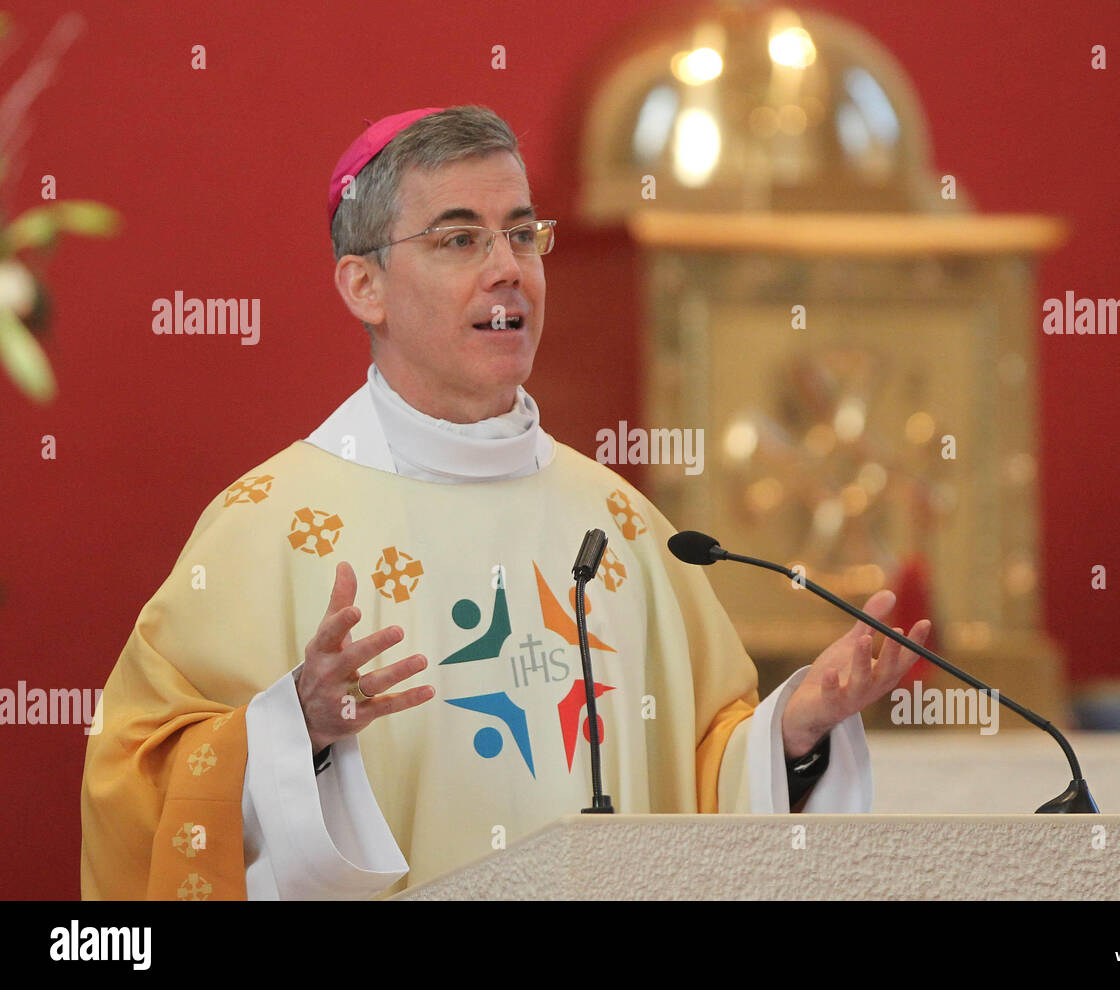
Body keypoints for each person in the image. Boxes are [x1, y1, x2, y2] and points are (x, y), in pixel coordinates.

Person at [80, 105, 931, 900]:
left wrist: (793, 736)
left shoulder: (625, 527)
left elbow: (696, 777)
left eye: (523, 234)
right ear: (362, 286)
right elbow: (137, 781)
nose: (507, 270)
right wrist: (288, 732)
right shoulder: (267, 527)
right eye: (459, 239)